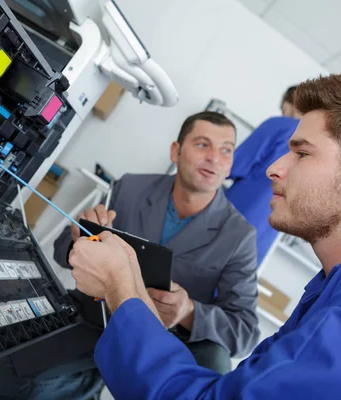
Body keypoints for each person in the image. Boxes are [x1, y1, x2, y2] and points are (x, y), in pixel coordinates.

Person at [68, 72, 341, 399]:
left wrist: (123, 289)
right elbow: (256, 375)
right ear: (178, 151)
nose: (273, 169)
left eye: (301, 153)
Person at [54, 111, 261, 374]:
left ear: (230, 165)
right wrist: (82, 238)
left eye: (226, 150)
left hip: (167, 341)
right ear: (176, 151)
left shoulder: (239, 236)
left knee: (215, 361)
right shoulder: (130, 188)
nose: (214, 157)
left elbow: (245, 331)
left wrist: (188, 311)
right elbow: (61, 250)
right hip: (99, 317)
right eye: (202, 144)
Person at [226, 85, 301, 265]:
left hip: (236, 214)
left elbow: (234, 165)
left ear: (289, 104)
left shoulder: (280, 124)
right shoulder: (321, 148)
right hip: (266, 233)